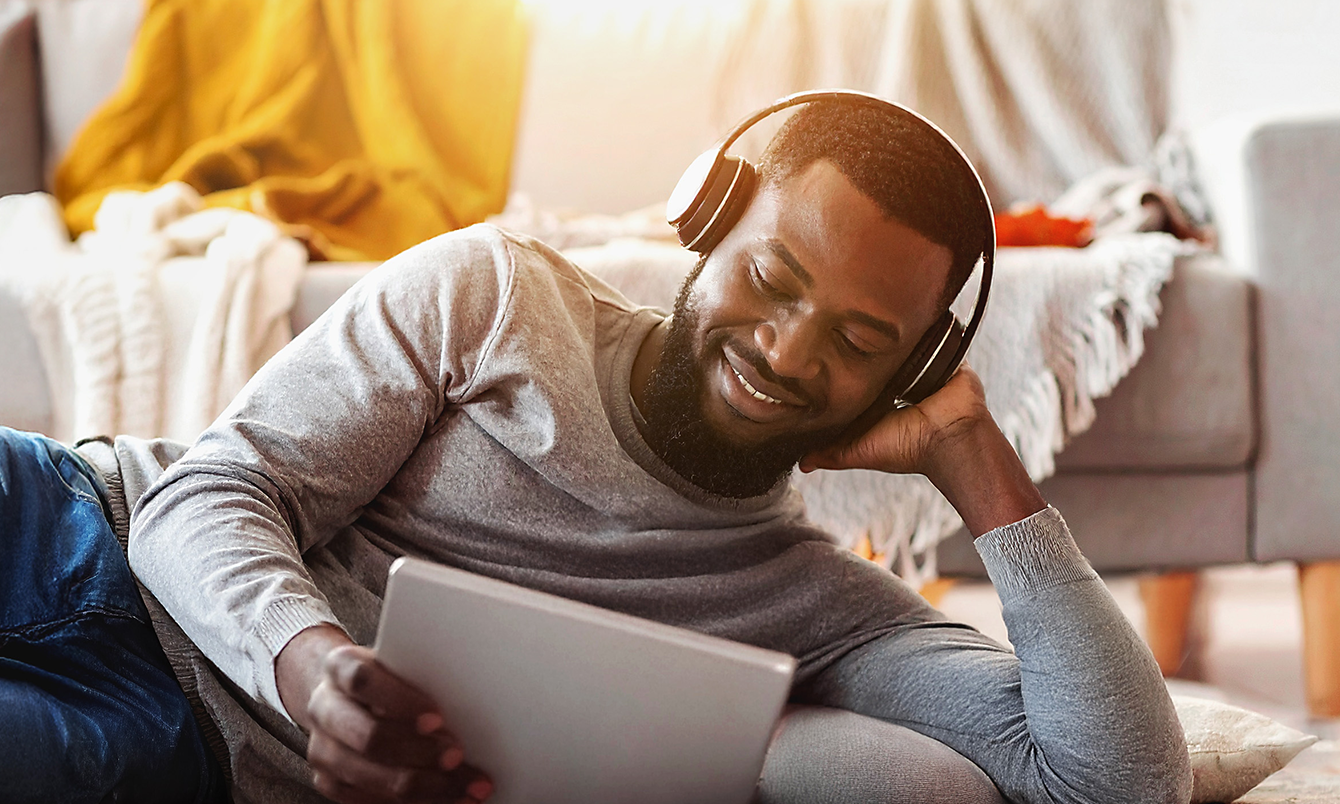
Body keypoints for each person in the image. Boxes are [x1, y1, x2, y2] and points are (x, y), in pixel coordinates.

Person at [0, 99, 1192, 804]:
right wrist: (309, 668)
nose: (785, 351)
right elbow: (211, 491)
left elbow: (1116, 781)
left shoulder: (820, 607)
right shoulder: (494, 297)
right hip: (78, 523)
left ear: (909, 371)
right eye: (771, 278)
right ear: (705, 223)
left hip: (169, 741)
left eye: (857, 341)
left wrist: (968, 451)